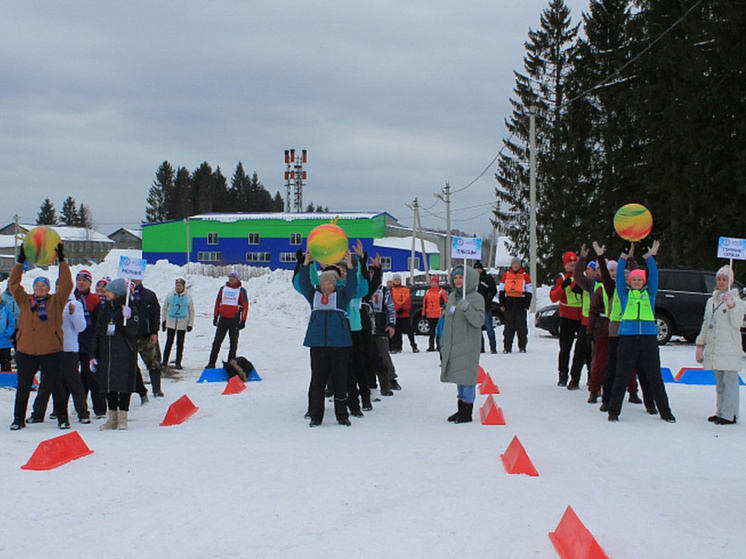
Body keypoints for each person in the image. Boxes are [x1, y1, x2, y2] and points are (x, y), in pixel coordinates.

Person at [607, 240, 675, 423]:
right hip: (628, 338)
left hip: (648, 338)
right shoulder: (624, 294)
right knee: (621, 375)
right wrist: (623, 255)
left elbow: (654, 274)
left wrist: (648, 256)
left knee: (654, 375)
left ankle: (665, 412)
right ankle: (613, 411)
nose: (636, 281)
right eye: (634, 279)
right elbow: (620, 276)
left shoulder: (649, 293)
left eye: (639, 279)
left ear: (643, 281)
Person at [9, 242, 72, 430]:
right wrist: (20, 262)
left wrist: (62, 261)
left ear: (48, 288)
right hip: (26, 351)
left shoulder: (56, 301)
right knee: (23, 388)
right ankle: (18, 419)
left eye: (43, 285)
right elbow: (13, 285)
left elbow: (67, 284)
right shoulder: (24, 300)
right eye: (37, 285)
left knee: (56, 387)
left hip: (51, 351)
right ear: (34, 288)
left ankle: (62, 418)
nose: (40, 288)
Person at [297, 249, 358, 427]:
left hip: (339, 345)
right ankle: (316, 416)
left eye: (329, 284)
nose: (325, 287)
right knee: (318, 381)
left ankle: (342, 415)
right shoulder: (313, 296)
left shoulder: (342, 296)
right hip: (318, 345)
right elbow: (304, 283)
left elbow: (353, 285)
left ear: (334, 284)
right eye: (323, 284)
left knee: (340, 381)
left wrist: (350, 265)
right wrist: (306, 263)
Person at [30, 292, 90, 424]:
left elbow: (81, 327)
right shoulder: (50, 303)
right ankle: (38, 414)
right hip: (50, 350)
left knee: (74, 383)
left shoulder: (75, 304)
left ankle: (83, 413)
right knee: (45, 384)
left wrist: (73, 314)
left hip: (68, 350)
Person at [695, 265, 744, 425]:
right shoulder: (711, 301)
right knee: (720, 384)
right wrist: (700, 344)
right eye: (719, 279)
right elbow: (705, 323)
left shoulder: (737, 301)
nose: (721, 282)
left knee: (729, 383)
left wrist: (731, 306)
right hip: (715, 348)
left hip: (729, 348)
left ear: (731, 281)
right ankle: (720, 411)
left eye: (725, 279)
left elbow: (737, 323)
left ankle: (729, 414)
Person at [90, 278, 139, 430]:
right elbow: (97, 332)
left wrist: (129, 318)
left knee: (124, 385)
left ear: (117, 293)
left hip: (124, 352)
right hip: (107, 353)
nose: (105, 293)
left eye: (109, 291)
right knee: (109, 385)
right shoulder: (104, 310)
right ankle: (112, 418)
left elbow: (133, 332)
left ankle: (123, 417)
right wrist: (93, 354)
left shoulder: (129, 308)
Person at [441, 265, 485, 423]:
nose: (458, 280)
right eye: (456, 277)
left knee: (467, 378)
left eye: (461, 277)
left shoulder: (476, 298)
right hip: (454, 344)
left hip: (468, 344)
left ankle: (467, 411)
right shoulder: (452, 296)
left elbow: (479, 321)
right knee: (459, 377)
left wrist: (468, 309)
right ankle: (460, 409)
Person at [75, 270, 107, 419]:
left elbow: (99, 324)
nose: (81, 283)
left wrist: (97, 343)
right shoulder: (71, 298)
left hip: (89, 344)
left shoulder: (94, 300)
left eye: (84, 280)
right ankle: (64, 408)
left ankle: (100, 409)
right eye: (79, 280)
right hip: (71, 344)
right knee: (68, 378)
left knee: (92, 377)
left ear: (89, 283)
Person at [549, 251, 583, 387]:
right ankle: (563, 374)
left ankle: (580, 376)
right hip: (567, 317)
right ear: (565, 265)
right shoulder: (561, 278)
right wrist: (563, 287)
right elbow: (553, 297)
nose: (573, 264)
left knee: (582, 350)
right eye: (570, 262)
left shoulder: (582, 276)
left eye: (575, 261)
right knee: (565, 348)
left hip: (582, 317)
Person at [207, 271, 249, 369]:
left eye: (233, 277)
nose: (231, 279)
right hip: (223, 319)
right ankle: (211, 363)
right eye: (230, 277)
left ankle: (231, 364)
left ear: (237, 279)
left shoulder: (241, 291)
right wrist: (215, 316)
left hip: (234, 319)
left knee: (233, 343)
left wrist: (243, 320)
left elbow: (245, 306)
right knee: (217, 342)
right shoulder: (223, 289)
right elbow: (218, 302)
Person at [131, 278, 164, 398]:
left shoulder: (149, 295)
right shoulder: (124, 295)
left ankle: (157, 389)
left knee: (153, 363)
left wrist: (154, 332)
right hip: (130, 336)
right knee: (131, 365)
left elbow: (155, 313)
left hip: (146, 335)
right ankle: (139, 390)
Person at [498, 257, 532, 353]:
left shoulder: (525, 276)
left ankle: (522, 346)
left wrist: (526, 305)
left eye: (517, 264)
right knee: (509, 327)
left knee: (521, 327)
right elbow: (501, 290)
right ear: (511, 265)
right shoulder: (506, 275)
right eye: (514, 264)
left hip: (521, 304)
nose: (515, 266)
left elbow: (529, 291)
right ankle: (507, 347)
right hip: (509, 303)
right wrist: (502, 304)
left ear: (520, 265)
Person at [161, 277, 194, 370]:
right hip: (171, 322)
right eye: (177, 286)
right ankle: (165, 361)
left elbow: (191, 311)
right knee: (169, 342)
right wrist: (164, 321)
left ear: (184, 287)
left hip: (182, 324)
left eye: (180, 286)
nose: (178, 287)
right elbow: (164, 308)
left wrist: (190, 324)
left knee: (180, 344)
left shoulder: (188, 296)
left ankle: (178, 362)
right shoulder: (170, 295)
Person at [390, 274, 418, 353]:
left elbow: (408, 301)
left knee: (409, 331)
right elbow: (391, 302)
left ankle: (413, 345)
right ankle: (397, 346)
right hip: (397, 314)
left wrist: (403, 308)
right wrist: (397, 309)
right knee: (397, 332)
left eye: (398, 279)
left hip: (405, 314)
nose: (397, 281)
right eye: (396, 280)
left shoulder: (405, 289)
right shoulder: (392, 291)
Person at [474, 261, 498, 354]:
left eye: (478, 269)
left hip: (486, 306)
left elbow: (493, 290)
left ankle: (493, 347)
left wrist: (488, 299)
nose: (477, 271)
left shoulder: (487, 278)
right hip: (476, 307)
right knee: (477, 328)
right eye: (475, 269)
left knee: (489, 327)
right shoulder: (473, 280)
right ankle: (481, 347)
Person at [422, 276, 448, 352]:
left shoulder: (441, 292)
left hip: (439, 314)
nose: (433, 284)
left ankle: (439, 345)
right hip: (430, 314)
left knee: (439, 331)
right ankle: (431, 346)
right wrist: (423, 313)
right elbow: (424, 304)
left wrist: (445, 313)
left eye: (435, 282)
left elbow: (446, 303)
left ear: (438, 283)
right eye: (432, 282)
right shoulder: (427, 292)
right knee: (431, 332)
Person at [0, 293, 16, 371]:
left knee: (5, 362)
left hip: (4, 341)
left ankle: (7, 380)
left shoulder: (6, 310)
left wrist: (8, 334)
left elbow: (11, 324)